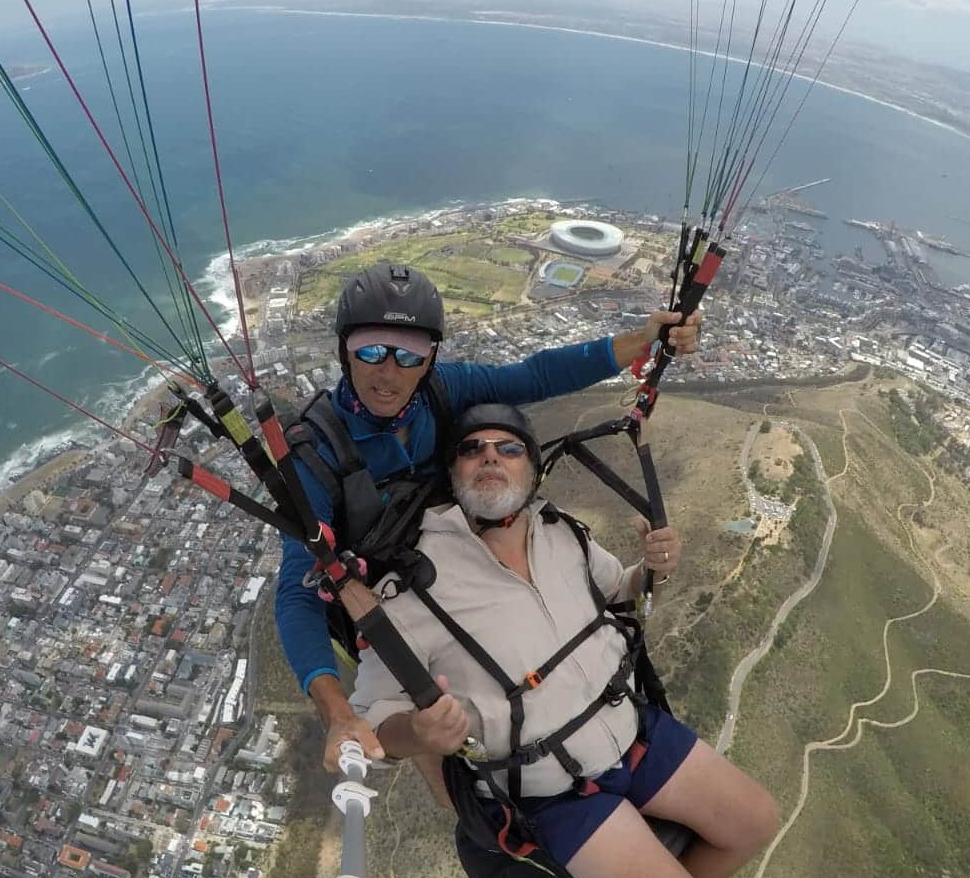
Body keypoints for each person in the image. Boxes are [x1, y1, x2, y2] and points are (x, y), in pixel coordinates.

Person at [346, 403, 780, 878]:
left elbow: (617, 592)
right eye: (472, 449)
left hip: (629, 731)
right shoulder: (411, 587)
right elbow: (375, 722)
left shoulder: (562, 533)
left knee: (755, 821)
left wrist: (651, 570)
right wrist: (419, 734)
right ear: (452, 473)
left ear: (532, 469)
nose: (490, 458)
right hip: (551, 789)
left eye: (508, 448)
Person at [274, 261, 703, 772]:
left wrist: (645, 341)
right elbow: (297, 591)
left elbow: (534, 376)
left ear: (430, 359)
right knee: (441, 754)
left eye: (408, 354)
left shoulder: (439, 391)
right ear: (344, 350)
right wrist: (338, 714)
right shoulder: (315, 452)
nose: (388, 372)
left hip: (465, 571)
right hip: (392, 613)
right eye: (370, 350)